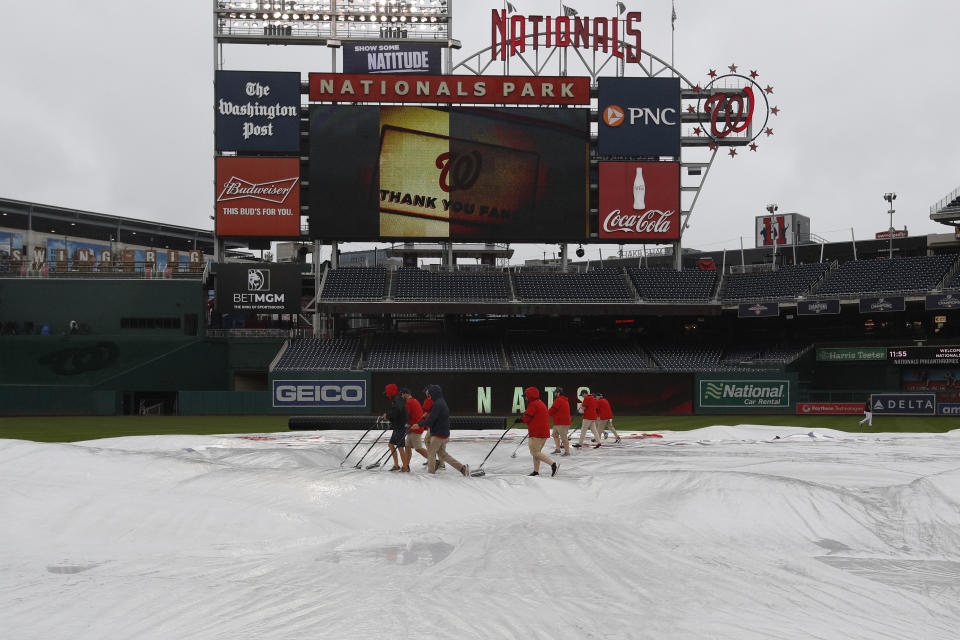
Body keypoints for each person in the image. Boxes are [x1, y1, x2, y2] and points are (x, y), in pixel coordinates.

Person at [422, 385, 469, 476]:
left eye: (428, 392)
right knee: (443, 454)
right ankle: (462, 468)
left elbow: (432, 418)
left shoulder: (436, 402)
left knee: (431, 453)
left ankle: (430, 475)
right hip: (442, 432)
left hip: (438, 432)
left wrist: (420, 424)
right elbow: (436, 416)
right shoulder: (441, 402)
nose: (427, 394)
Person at [517, 387, 558, 476]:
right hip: (542, 432)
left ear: (530, 396)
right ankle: (536, 471)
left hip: (537, 433)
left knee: (534, 452)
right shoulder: (539, 403)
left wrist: (520, 419)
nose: (525, 398)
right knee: (537, 452)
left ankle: (553, 464)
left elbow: (526, 418)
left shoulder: (533, 404)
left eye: (526, 396)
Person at [380, 383, 407, 471]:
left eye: (387, 393)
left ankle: (405, 467)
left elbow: (397, 412)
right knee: (391, 445)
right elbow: (395, 412)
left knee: (400, 447)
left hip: (400, 426)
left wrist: (387, 416)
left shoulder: (398, 399)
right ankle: (396, 465)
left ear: (391, 392)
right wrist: (387, 416)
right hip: (397, 425)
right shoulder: (396, 399)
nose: (387, 395)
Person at [402, 388, 428, 470]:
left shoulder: (409, 402)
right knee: (407, 447)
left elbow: (406, 415)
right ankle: (406, 466)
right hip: (413, 428)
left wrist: (403, 424)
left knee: (418, 448)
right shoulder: (414, 400)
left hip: (415, 428)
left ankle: (434, 460)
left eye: (402, 394)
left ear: (406, 394)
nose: (401, 396)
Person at [548, 387, 572, 457]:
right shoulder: (564, 400)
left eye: (555, 392)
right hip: (559, 422)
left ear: (558, 393)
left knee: (564, 438)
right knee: (555, 435)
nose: (554, 393)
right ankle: (558, 449)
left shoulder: (558, 400)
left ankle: (567, 452)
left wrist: (546, 413)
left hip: (562, 423)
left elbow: (553, 410)